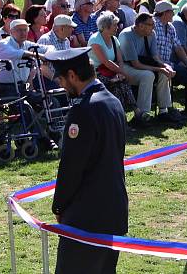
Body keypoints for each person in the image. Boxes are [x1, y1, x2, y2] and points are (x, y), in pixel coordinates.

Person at [49, 47, 128, 274]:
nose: (62, 86)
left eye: (63, 79)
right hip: (112, 210)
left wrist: (59, 205)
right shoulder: (112, 101)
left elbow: (72, 167)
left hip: (87, 216)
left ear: (73, 75)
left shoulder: (83, 110)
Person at [118, 12, 182, 127]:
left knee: (164, 73)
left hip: (143, 64)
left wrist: (165, 67)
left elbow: (155, 57)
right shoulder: (127, 35)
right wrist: (159, 69)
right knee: (148, 75)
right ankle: (142, 114)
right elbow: (135, 64)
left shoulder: (151, 34)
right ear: (141, 25)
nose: (154, 27)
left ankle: (164, 111)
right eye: (151, 24)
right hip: (124, 67)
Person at [88, 12, 135, 110]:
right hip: (96, 73)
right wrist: (122, 73)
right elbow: (106, 62)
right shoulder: (95, 40)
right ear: (106, 26)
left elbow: (120, 60)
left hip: (111, 70)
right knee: (116, 83)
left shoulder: (114, 39)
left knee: (122, 81)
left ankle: (133, 111)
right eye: (114, 25)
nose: (117, 27)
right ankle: (121, 114)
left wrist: (121, 73)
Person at [0, 18, 49, 96]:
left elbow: (46, 48)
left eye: (25, 30)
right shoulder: (3, 44)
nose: (23, 33)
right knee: (23, 105)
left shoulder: (27, 44)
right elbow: (15, 53)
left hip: (22, 86)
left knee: (50, 100)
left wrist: (51, 54)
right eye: (19, 30)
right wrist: (35, 55)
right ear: (11, 32)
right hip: (3, 88)